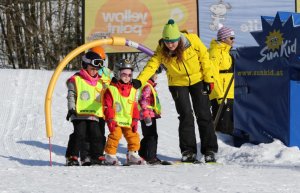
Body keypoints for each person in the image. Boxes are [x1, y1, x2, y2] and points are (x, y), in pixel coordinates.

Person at [133, 19, 218, 163]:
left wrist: (209, 79)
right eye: (167, 42)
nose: (170, 45)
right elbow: (151, 66)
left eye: (173, 41)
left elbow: (205, 58)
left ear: (179, 38)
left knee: (203, 114)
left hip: (198, 80)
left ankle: (209, 150)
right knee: (185, 115)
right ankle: (188, 151)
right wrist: (139, 80)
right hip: (177, 83)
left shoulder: (192, 41)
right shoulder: (161, 49)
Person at [65, 51, 107, 166]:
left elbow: (106, 96)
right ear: (85, 66)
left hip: (94, 114)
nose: (94, 71)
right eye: (92, 68)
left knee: (96, 135)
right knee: (79, 134)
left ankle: (96, 156)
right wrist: (71, 108)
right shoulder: (76, 80)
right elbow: (71, 95)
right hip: (79, 113)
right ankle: (72, 156)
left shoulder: (101, 82)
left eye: (96, 69)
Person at [103, 59, 145, 165]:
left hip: (128, 120)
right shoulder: (111, 89)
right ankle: (110, 155)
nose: (127, 77)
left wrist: (135, 119)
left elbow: (134, 106)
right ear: (117, 74)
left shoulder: (133, 90)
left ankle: (133, 154)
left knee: (134, 136)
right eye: (124, 74)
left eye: (130, 75)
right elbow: (108, 106)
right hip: (115, 120)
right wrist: (110, 119)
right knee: (115, 136)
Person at [208, 26, 235, 135]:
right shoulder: (215, 52)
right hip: (221, 93)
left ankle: (227, 146)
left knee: (229, 123)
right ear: (223, 39)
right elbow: (213, 75)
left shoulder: (226, 52)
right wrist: (219, 95)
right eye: (231, 38)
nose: (233, 40)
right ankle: (220, 146)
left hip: (229, 92)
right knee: (223, 124)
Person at [138, 68, 162, 165]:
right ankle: (151, 157)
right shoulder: (147, 86)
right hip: (147, 115)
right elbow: (143, 100)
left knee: (148, 135)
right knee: (152, 136)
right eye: (155, 74)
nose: (156, 76)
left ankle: (142, 153)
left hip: (148, 114)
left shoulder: (148, 85)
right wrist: (146, 115)